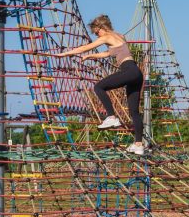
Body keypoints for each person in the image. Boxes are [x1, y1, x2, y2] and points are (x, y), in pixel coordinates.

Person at [56, 15, 144, 155]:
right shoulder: (120, 36)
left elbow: (85, 47)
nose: (97, 35)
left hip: (128, 70)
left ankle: (111, 117)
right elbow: (107, 53)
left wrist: (65, 54)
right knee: (134, 111)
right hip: (137, 73)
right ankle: (138, 144)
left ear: (102, 28)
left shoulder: (106, 37)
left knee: (98, 87)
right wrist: (90, 57)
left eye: (97, 32)